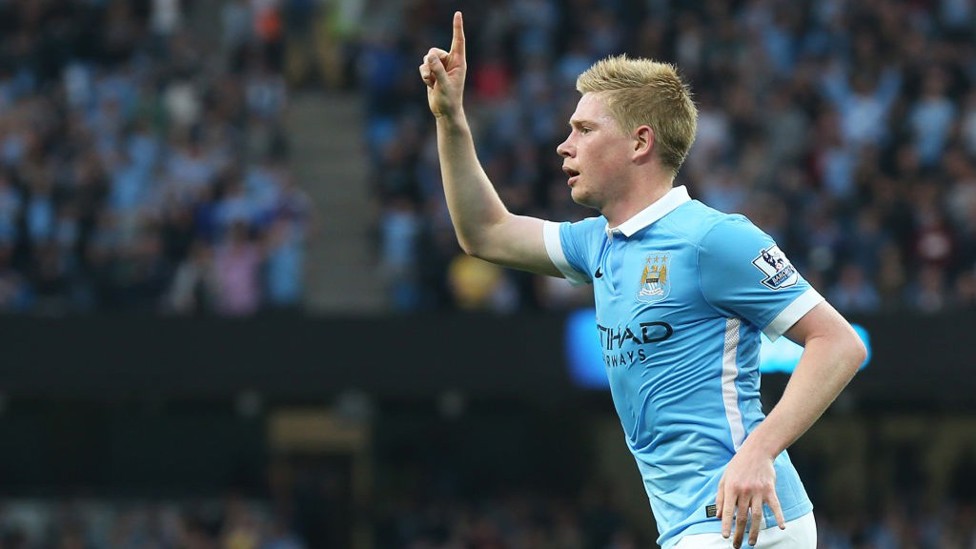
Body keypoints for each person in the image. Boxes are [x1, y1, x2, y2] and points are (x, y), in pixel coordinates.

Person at [418, 12, 867, 549]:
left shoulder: (714, 239)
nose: (565, 145)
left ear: (640, 143)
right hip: (695, 526)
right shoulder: (598, 244)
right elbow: (485, 232)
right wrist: (450, 117)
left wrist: (759, 450)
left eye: (584, 129)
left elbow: (838, 343)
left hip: (745, 520)